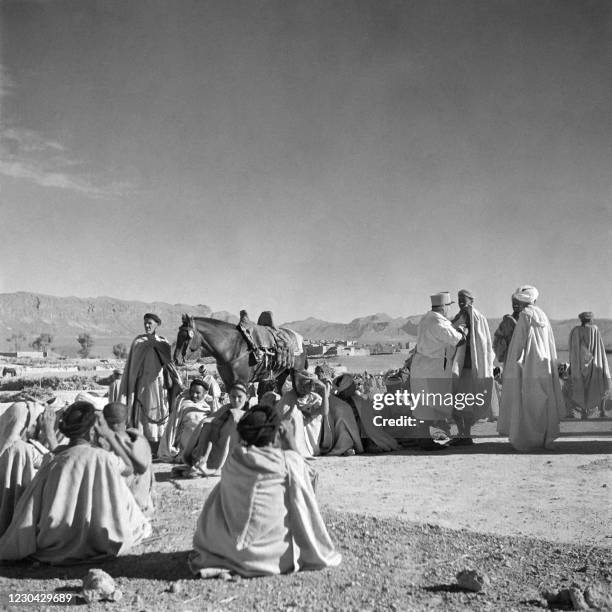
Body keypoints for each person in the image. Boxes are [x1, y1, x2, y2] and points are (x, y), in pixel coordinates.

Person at [188, 404, 342, 578]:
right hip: (271, 559)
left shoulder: (233, 459)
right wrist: (291, 443)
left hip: (225, 551)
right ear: (276, 433)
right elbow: (310, 480)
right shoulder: (287, 461)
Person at [0, 401, 151, 564]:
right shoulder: (104, 459)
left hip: (54, 540)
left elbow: (29, 512)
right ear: (93, 430)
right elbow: (129, 468)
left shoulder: (53, 464)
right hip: (100, 538)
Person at [497, 286, 564, 451]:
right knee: (543, 401)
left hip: (527, 368)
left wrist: (514, 367)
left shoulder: (525, 316)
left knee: (526, 401)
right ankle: (544, 439)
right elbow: (549, 344)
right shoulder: (542, 316)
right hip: (544, 366)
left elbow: (518, 345)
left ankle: (526, 440)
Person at [119, 313, 184, 454]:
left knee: (159, 410)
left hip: (159, 385)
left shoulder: (163, 342)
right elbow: (132, 366)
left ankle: (159, 445)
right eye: (145, 323)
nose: (147, 325)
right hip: (141, 385)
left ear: (157, 325)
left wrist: (175, 380)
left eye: (150, 323)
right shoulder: (138, 342)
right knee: (141, 412)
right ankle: (141, 443)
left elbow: (169, 365)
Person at [409, 292, 467, 450]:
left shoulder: (427, 318)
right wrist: (462, 328)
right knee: (428, 404)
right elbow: (458, 340)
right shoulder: (437, 321)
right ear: (444, 307)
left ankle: (424, 438)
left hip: (424, 367)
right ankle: (425, 441)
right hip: (431, 369)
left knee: (424, 404)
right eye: (449, 306)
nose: (450, 309)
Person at [0, 402, 56, 536]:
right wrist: (50, 434)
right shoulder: (20, 449)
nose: (36, 429)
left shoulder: (16, 445)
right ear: (23, 424)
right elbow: (60, 462)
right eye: (34, 424)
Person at [449, 289, 496, 445]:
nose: (461, 302)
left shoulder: (475, 317)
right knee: (456, 403)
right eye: (459, 299)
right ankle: (462, 433)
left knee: (466, 403)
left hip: (468, 367)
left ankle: (466, 434)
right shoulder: (459, 316)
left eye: (464, 299)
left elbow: (481, 341)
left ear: (471, 300)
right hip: (457, 367)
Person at [179, 382, 250, 477]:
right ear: (229, 396)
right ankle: (202, 461)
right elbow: (210, 419)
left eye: (240, 397)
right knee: (208, 426)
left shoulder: (252, 411)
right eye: (233, 397)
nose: (236, 400)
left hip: (238, 450)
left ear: (247, 397)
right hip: (217, 442)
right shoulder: (226, 408)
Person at [98, 402, 154, 515]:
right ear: (127, 419)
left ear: (103, 421)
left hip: (123, 511)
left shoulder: (107, 446)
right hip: (144, 505)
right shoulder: (139, 439)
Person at [333, 373, 399, 453]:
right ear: (347, 388)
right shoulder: (336, 401)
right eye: (353, 384)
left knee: (365, 422)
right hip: (341, 431)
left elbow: (368, 414)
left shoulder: (357, 398)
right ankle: (347, 446)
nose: (355, 386)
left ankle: (369, 443)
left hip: (360, 428)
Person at [158, 378, 216, 462]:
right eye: (192, 392)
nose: (194, 395)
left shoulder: (209, 406)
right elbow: (173, 426)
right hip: (185, 443)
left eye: (198, 393)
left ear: (204, 394)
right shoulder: (183, 405)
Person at [569, 312, 611, 419]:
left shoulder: (575, 331)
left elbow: (573, 349)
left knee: (581, 386)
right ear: (591, 320)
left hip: (578, 365)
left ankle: (583, 412)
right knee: (599, 384)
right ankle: (602, 411)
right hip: (594, 363)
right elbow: (599, 348)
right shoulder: (594, 329)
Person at [492, 298, 522, 365]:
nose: (515, 305)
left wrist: (513, 323)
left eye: (518, 302)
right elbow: (497, 343)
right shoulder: (507, 322)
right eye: (514, 302)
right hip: (510, 360)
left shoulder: (528, 320)